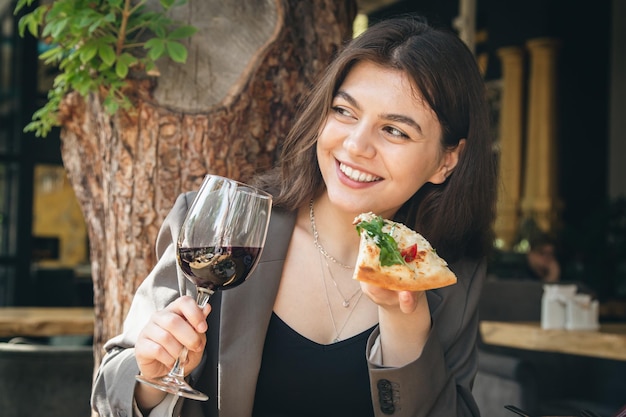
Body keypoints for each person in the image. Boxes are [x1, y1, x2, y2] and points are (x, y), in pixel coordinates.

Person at [91, 15, 497, 417]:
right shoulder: (220, 233)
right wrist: (149, 380)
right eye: (345, 111)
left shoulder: (452, 276)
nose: (356, 145)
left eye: (395, 131)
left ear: (447, 160)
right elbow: (110, 393)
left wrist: (405, 324)